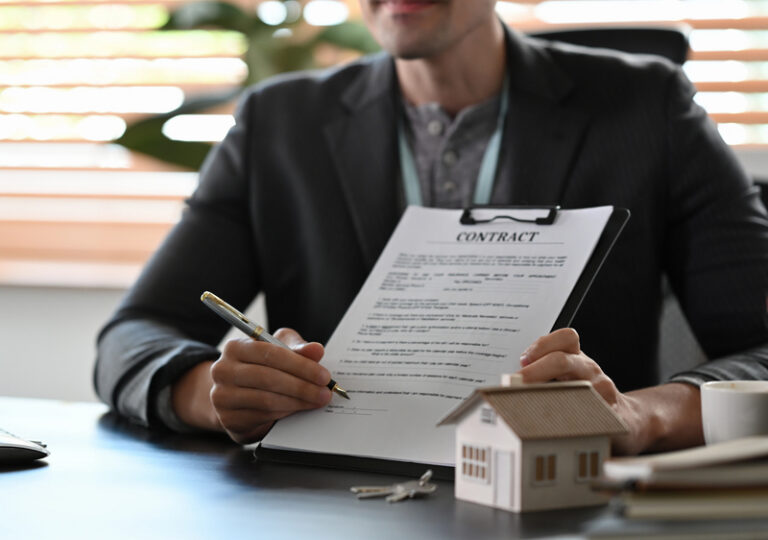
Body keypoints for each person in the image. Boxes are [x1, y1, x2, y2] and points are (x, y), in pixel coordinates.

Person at [95, 0, 768, 455]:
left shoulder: (647, 108)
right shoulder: (280, 124)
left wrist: (636, 415)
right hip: (339, 508)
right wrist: (213, 396)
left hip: (566, 503)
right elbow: (132, 336)